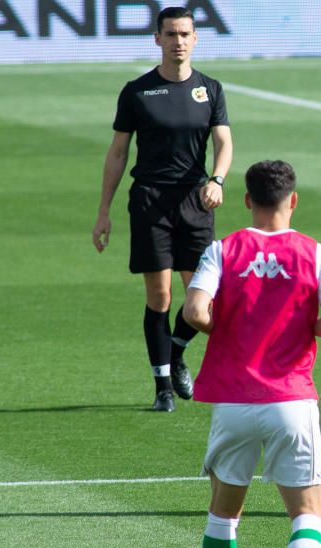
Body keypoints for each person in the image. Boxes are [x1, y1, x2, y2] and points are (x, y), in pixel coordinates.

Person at [184, 160, 321, 548]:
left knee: (224, 513)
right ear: (293, 200)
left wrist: (231, 330)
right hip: (292, 401)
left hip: (233, 401)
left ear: (246, 201)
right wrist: (300, 328)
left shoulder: (223, 249)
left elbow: (194, 312)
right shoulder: (317, 254)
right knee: (306, 513)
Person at [92, 6, 234, 413]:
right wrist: (104, 211)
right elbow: (118, 153)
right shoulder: (137, 91)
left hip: (195, 200)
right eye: (170, 34)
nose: (178, 41)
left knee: (200, 301)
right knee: (160, 296)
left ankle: (176, 353)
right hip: (151, 200)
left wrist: (217, 179)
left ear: (196, 39)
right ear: (157, 39)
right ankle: (162, 389)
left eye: (185, 34)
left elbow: (223, 142)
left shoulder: (211, 89)